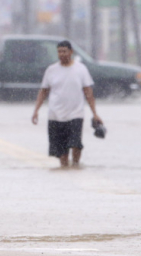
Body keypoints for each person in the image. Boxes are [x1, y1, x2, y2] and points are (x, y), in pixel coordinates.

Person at [31, 40, 103, 168]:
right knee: (61, 152)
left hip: (76, 114)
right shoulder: (51, 70)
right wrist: (36, 110)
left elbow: (88, 93)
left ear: (71, 52)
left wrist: (95, 114)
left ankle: (76, 166)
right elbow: (43, 91)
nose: (62, 54)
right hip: (55, 115)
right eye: (59, 51)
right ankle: (65, 170)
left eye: (64, 51)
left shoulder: (81, 69)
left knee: (76, 144)